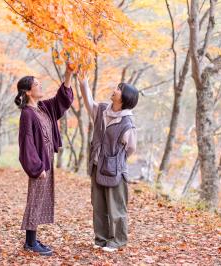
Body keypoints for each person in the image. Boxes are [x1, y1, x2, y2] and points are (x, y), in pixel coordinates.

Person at [15, 65, 74, 256]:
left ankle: (32, 240)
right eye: (37, 84)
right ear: (28, 91)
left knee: (40, 200)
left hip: (47, 161)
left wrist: (68, 74)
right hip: (39, 164)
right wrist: (36, 167)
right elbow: (27, 143)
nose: (40, 86)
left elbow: (61, 101)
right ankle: (30, 243)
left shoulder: (44, 108)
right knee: (34, 200)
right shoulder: (27, 114)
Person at [78, 72, 139, 252]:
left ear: (125, 97)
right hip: (97, 166)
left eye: (119, 89)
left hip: (115, 170)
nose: (114, 90)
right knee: (98, 205)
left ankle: (118, 240)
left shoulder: (128, 123)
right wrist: (84, 83)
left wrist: (115, 159)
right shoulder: (103, 110)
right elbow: (89, 102)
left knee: (116, 207)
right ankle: (101, 239)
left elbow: (130, 148)